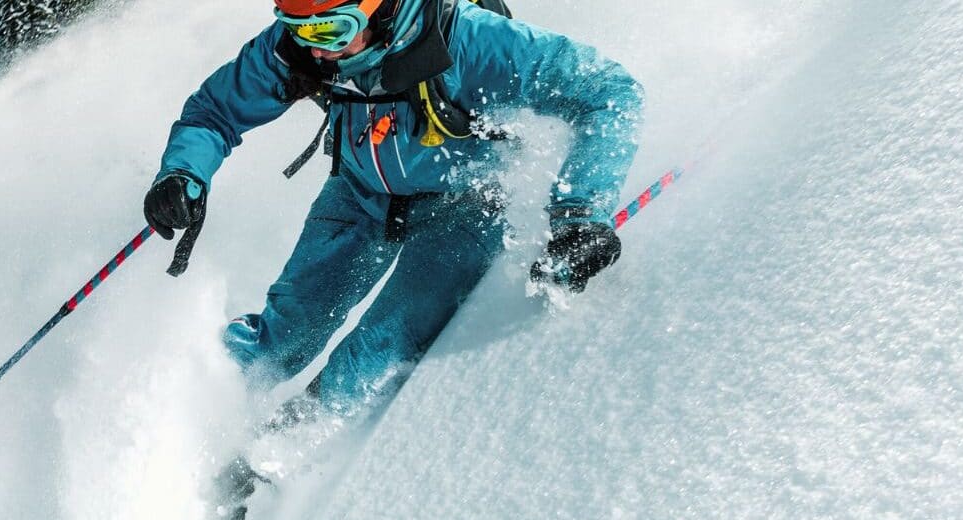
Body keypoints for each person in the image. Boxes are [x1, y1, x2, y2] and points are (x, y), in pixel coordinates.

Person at [144, 0, 642, 421]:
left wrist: (579, 213)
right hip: (358, 196)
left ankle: (274, 466)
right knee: (279, 341)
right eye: (296, 29)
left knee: (372, 353)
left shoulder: (466, 39)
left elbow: (608, 91)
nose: (314, 48)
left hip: (463, 207)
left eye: (328, 29)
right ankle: (178, 414)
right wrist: (183, 173)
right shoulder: (299, 50)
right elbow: (215, 111)